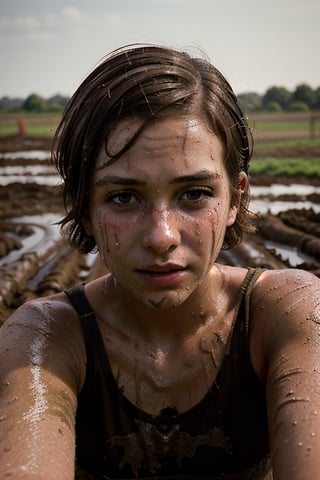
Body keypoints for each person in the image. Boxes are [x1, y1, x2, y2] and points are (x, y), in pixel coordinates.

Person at [0, 44, 320, 480]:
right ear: (84, 206)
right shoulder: (44, 339)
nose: (161, 236)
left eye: (194, 194)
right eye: (123, 197)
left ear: (236, 198)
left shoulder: (287, 314)